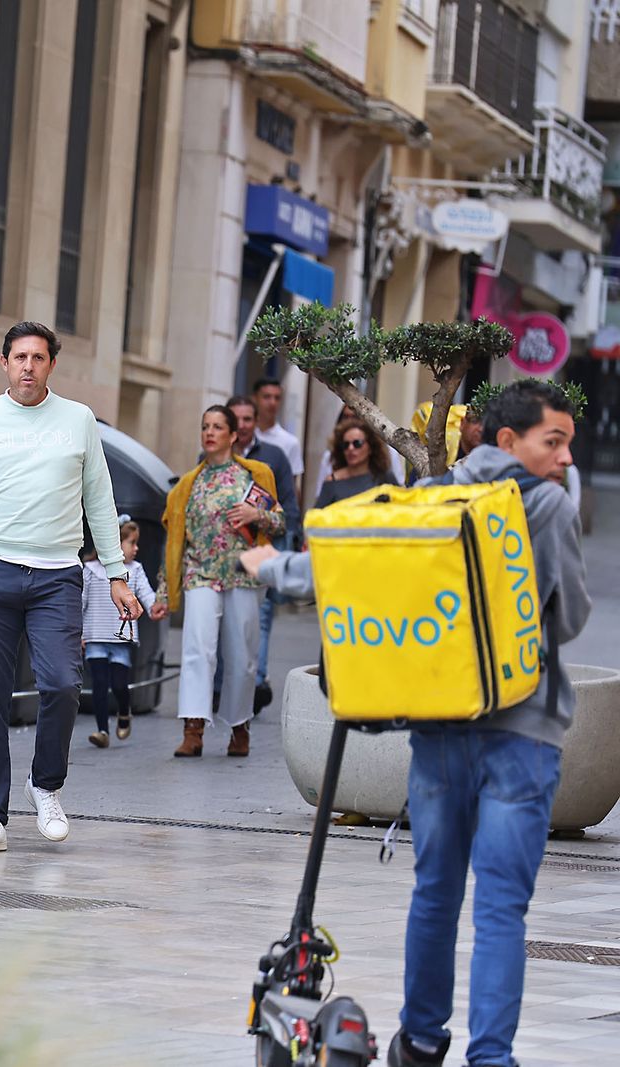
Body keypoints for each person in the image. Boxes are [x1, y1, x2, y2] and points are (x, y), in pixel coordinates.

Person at [243, 379, 590, 1067]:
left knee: (434, 893)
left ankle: (423, 1040)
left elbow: (356, 565)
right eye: (554, 441)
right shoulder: (546, 504)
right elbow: (571, 616)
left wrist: (271, 566)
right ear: (509, 441)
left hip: (439, 729)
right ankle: (491, 1057)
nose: (565, 458)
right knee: (499, 907)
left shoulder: (432, 496)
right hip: (522, 738)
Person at [0, 321, 142, 856]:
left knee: (61, 684)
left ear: (52, 365)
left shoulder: (77, 420)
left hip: (56, 575)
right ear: (4, 363)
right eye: (19, 356)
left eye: (39, 357)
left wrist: (117, 575)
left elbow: (99, 500)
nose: (28, 365)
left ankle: (45, 784)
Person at [160, 405, 282, 759]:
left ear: (233, 436)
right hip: (201, 573)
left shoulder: (256, 474)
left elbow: (281, 522)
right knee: (198, 649)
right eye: (205, 427)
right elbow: (175, 545)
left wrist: (256, 513)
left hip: (243, 574)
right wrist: (164, 592)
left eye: (217, 427)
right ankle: (193, 728)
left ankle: (239, 727)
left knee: (242, 655)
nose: (210, 433)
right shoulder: (187, 485)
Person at [225, 394, 299, 715]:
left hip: (261, 549)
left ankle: (256, 684)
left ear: (255, 422)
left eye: (247, 419)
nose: (241, 426)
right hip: (223, 555)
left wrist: (286, 545)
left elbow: (289, 507)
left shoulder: (274, 456)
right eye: (235, 419)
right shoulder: (213, 454)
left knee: (262, 618)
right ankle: (220, 687)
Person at [79, 519, 165, 747]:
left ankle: (124, 711)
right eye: (132, 543)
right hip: (95, 635)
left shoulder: (135, 570)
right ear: (115, 544)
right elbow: (81, 602)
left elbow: (145, 593)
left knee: (118, 684)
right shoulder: (90, 570)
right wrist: (78, 632)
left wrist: (155, 605)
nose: (136, 548)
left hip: (120, 638)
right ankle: (102, 731)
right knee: (98, 683)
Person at [315, 415, 398, 508]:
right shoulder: (332, 482)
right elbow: (317, 517)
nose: (350, 448)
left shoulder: (385, 478)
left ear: (370, 447)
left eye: (357, 443)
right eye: (346, 445)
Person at [251, 376, 303, 499]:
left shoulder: (290, 442)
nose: (272, 403)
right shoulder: (244, 436)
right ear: (255, 399)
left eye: (277, 398)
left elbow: (292, 488)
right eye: (267, 397)